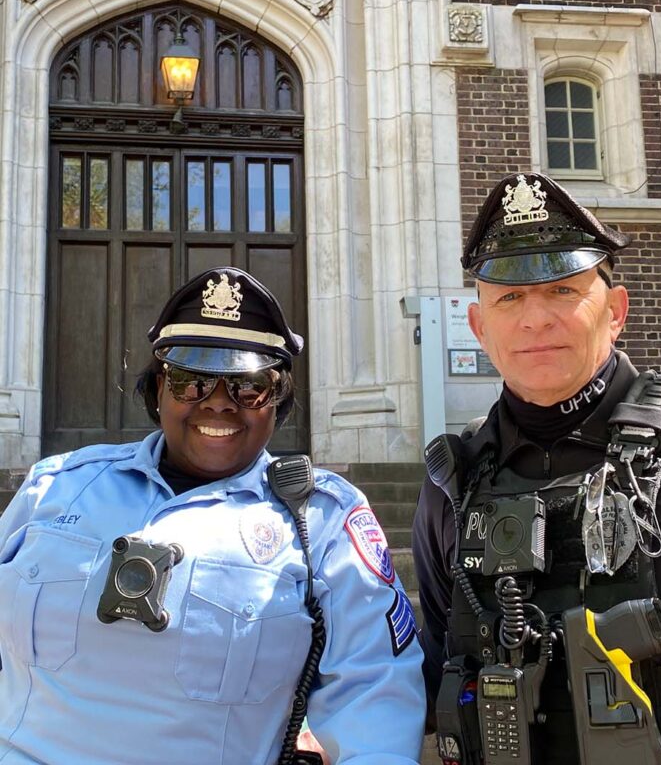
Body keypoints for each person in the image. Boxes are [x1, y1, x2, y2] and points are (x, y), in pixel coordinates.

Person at [412, 173, 661, 765]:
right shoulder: (453, 482)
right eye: (510, 297)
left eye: (564, 291)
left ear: (614, 311)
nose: (535, 319)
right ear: (479, 327)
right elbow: (443, 660)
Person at [0, 266, 426, 765]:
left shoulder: (323, 521)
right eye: (191, 382)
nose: (219, 404)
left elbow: (375, 697)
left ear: (279, 400)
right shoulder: (57, 486)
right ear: (157, 389)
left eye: (249, 387)